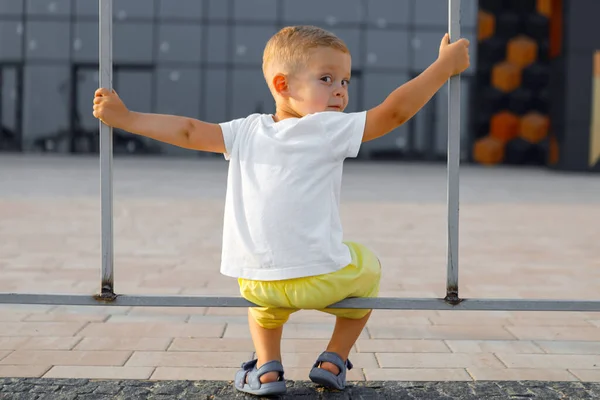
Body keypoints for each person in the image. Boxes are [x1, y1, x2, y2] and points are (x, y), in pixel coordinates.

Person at [93, 25, 469, 396]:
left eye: (346, 81)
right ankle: (333, 360)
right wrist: (442, 67)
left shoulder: (244, 131)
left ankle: (267, 368)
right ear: (282, 85)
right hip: (319, 280)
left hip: (256, 282)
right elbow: (394, 114)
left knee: (264, 309)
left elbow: (189, 131)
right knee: (369, 269)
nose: (340, 89)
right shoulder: (326, 128)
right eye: (327, 78)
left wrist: (126, 118)